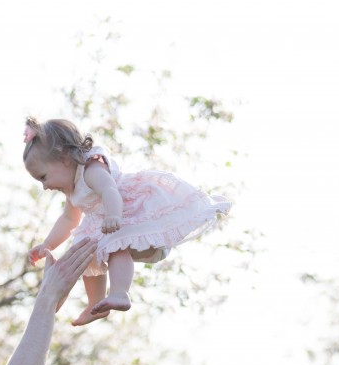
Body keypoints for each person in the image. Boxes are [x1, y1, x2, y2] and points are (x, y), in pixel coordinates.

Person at [23, 117, 232, 326]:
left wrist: (114, 216)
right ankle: (95, 304)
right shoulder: (72, 190)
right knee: (85, 253)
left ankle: (120, 292)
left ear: (64, 158)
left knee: (116, 245)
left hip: (126, 213)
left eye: (43, 177)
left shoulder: (91, 169)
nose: (44, 186)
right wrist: (48, 244)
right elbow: (69, 219)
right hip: (103, 223)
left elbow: (109, 190)